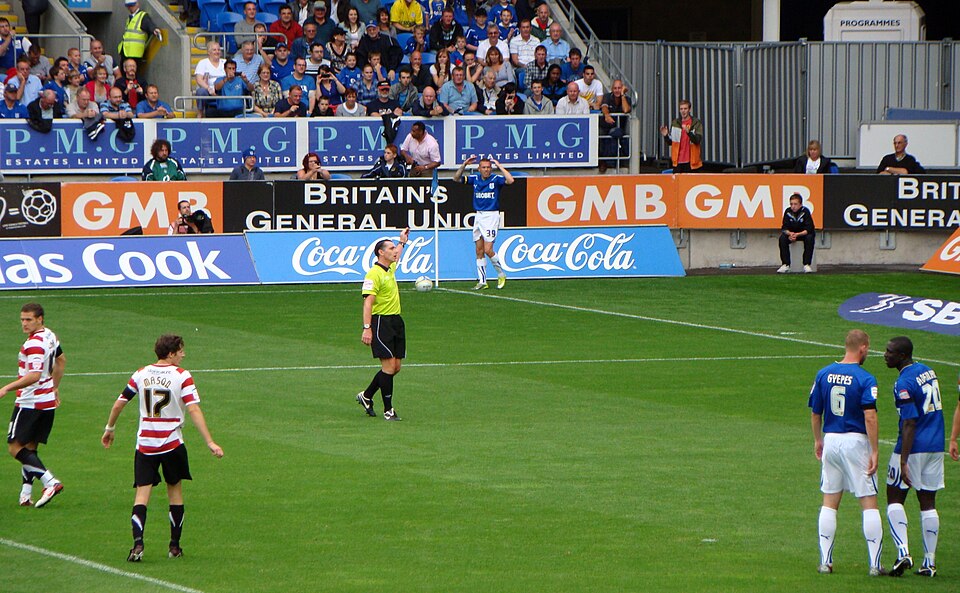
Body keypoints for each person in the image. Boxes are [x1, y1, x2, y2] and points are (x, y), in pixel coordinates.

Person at [101, 334, 224, 562]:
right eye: (180, 351)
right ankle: (174, 547)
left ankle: (138, 544)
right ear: (170, 353)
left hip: (145, 444)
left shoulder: (141, 373)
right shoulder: (182, 376)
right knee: (174, 491)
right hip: (172, 443)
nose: (183, 354)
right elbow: (194, 409)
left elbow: (120, 402)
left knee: (142, 493)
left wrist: (110, 428)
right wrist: (209, 441)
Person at [809, 329, 885, 576]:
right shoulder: (865, 378)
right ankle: (875, 564)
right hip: (855, 441)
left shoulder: (823, 373)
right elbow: (870, 416)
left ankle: (825, 561)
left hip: (831, 439)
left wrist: (818, 440)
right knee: (868, 502)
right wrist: (875, 449)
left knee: (830, 501)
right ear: (863, 348)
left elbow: (815, 412)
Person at [881, 337, 944, 577]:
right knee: (928, 502)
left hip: (912, 448)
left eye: (890, 352)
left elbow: (909, 422)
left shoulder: (903, 382)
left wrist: (904, 460)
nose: (885, 355)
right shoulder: (928, 370)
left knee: (894, 498)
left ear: (902, 356)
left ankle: (903, 552)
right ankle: (929, 563)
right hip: (936, 446)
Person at [0, 303, 65, 508]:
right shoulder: (50, 336)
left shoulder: (34, 344)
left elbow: (34, 375)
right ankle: (25, 495)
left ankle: (50, 482)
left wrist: (6, 388)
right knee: (29, 448)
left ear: (40, 319)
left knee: (14, 447)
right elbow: (61, 360)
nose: (24, 324)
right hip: (46, 403)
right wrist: (54, 387)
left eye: (28, 320)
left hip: (29, 402)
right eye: (22, 319)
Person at [357, 227, 410, 422]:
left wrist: (402, 241)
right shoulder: (374, 274)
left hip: (396, 321)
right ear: (381, 252)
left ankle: (366, 396)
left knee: (395, 367)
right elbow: (368, 302)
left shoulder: (390, 268)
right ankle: (389, 410)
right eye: (390, 248)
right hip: (381, 323)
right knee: (388, 368)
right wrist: (367, 327)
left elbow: (398, 255)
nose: (394, 251)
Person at [453, 155, 514, 290]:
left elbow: (510, 180)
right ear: (479, 169)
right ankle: (482, 281)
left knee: (488, 250)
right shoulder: (474, 179)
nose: (486, 170)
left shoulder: (496, 179)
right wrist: (464, 165)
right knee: (479, 250)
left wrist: (499, 166)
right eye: (484, 167)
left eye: (488, 167)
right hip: (478, 216)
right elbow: (456, 179)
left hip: (491, 216)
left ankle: (501, 274)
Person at [660, 99, 703, 172]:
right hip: (677, 162)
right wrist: (666, 135)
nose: (683, 111)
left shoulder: (696, 123)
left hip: (691, 162)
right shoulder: (675, 122)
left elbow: (697, 140)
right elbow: (671, 142)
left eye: (685, 109)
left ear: (689, 109)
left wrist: (689, 133)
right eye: (681, 109)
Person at [776, 193, 815, 274]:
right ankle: (785, 264)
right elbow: (784, 228)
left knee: (810, 238)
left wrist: (797, 234)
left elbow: (809, 229)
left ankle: (806, 264)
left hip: (802, 234)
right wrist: (790, 234)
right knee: (782, 238)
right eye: (791, 204)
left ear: (800, 204)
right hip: (792, 234)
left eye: (795, 204)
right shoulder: (787, 211)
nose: (793, 206)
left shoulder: (805, 212)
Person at [118, 0, 163, 68]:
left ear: (137, 4)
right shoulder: (130, 18)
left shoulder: (143, 16)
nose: (130, 8)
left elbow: (149, 25)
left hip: (135, 53)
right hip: (125, 51)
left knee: (133, 74)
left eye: (132, 5)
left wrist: (154, 29)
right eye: (128, 6)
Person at [599, 79, 631, 172]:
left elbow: (626, 110)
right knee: (600, 136)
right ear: (612, 89)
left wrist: (623, 95)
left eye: (619, 88)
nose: (617, 90)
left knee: (621, 137)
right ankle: (603, 162)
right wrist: (607, 115)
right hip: (605, 126)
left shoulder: (626, 98)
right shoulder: (607, 96)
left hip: (619, 127)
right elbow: (604, 106)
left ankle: (620, 162)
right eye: (615, 88)